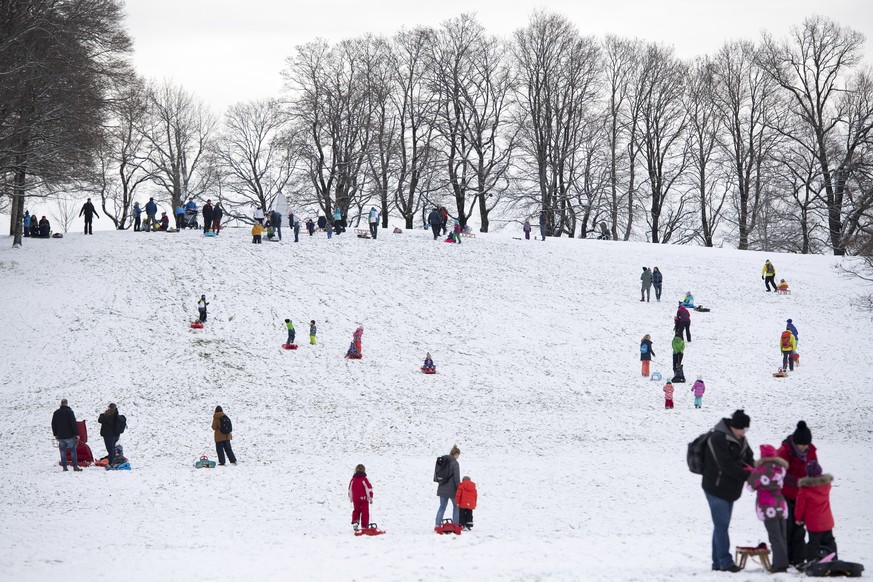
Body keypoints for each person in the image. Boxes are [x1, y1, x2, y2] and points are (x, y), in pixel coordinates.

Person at [702, 409, 753, 572]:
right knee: (722, 525)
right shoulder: (717, 438)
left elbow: (749, 458)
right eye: (743, 429)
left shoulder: (740, 439)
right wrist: (747, 475)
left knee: (720, 526)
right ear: (734, 427)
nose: (744, 432)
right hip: (715, 487)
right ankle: (725, 562)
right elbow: (725, 465)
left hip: (730, 488)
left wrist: (753, 470)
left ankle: (717, 562)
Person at [777, 421, 818, 567]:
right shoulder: (784, 451)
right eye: (802, 445)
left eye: (806, 445)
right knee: (787, 528)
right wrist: (800, 481)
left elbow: (814, 469)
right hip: (785, 494)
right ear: (795, 442)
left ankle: (799, 560)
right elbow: (780, 473)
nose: (805, 448)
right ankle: (786, 559)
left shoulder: (811, 451)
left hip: (802, 496)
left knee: (799, 528)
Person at [746, 444, 790, 573]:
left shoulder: (760, 470)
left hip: (767, 505)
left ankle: (780, 565)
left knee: (774, 536)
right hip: (781, 504)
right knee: (782, 535)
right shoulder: (781, 468)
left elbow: (750, 487)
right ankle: (781, 561)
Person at [796, 461, 837, 565]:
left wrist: (798, 519)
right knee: (829, 541)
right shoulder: (826, 486)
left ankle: (812, 561)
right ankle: (833, 559)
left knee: (813, 543)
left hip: (814, 523)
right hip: (827, 521)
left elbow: (800, 506)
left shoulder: (805, 489)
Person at [52, 399, 82, 471]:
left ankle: (65, 467)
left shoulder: (56, 413)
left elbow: (53, 424)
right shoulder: (70, 412)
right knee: (72, 451)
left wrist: (55, 434)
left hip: (60, 436)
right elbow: (73, 424)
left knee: (62, 452)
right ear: (67, 404)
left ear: (61, 404)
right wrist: (76, 434)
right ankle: (75, 466)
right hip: (69, 436)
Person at [435, 445, 461, 527]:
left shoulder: (443, 461)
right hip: (452, 490)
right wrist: (459, 489)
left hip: (442, 488)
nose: (458, 457)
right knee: (456, 507)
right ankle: (456, 525)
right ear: (456, 454)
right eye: (458, 455)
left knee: (442, 507)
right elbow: (456, 478)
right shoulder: (455, 463)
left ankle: (437, 525)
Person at [348, 464, 374, 532]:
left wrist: (351, 498)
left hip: (355, 499)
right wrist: (370, 498)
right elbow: (368, 489)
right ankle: (365, 526)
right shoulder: (364, 479)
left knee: (356, 510)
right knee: (365, 512)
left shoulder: (353, 480)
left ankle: (355, 522)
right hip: (364, 499)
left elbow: (350, 489)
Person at [97, 403, 123, 467]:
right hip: (116, 435)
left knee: (110, 449)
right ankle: (113, 461)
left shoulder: (107, 415)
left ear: (109, 407)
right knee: (112, 448)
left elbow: (100, 420)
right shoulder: (117, 415)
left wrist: (104, 413)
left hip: (108, 435)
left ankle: (111, 462)